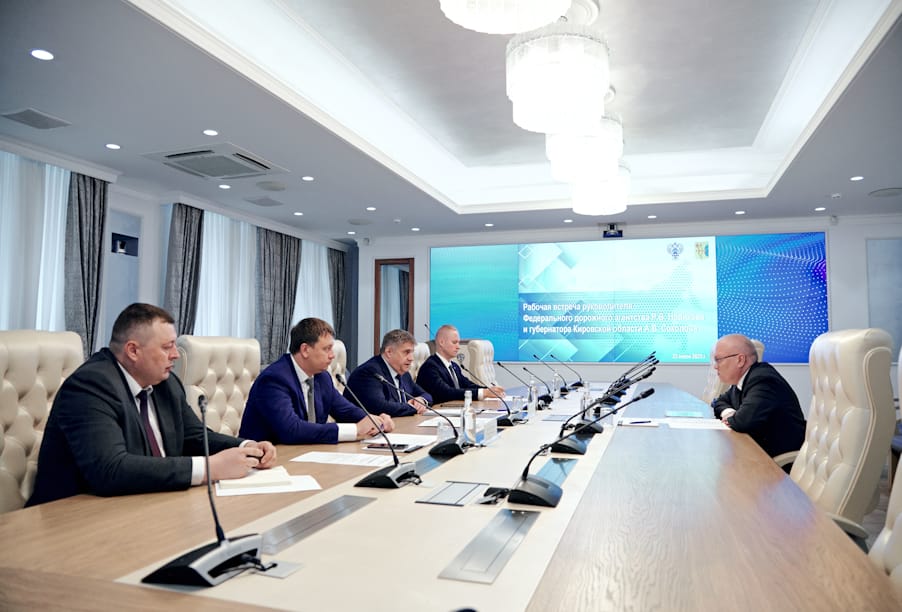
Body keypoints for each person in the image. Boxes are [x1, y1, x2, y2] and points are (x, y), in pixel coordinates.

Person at [27, 303, 277, 506]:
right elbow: (110, 470)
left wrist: (246, 447)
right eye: (167, 347)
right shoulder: (90, 386)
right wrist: (209, 468)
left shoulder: (164, 383)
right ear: (133, 351)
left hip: (147, 503)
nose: (176, 354)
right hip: (73, 517)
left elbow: (193, 436)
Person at [240, 318, 393, 444]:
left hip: (307, 454)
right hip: (267, 460)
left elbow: (345, 410)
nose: (332, 355)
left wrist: (374, 420)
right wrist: (356, 430)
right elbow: (291, 430)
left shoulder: (322, 377)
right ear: (305, 350)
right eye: (327, 349)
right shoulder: (274, 379)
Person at [711, 333, 806, 461]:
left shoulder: (763, 380)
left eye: (718, 360)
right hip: (757, 452)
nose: (715, 366)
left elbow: (742, 422)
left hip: (778, 463)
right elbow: (719, 402)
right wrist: (729, 413)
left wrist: (734, 418)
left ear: (740, 360)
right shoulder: (743, 379)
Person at [344, 329, 432, 417]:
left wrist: (421, 401)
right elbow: (381, 407)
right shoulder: (369, 372)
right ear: (389, 352)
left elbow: (427, 395)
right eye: (406, 352)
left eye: (412, 353)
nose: (411, 358)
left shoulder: (404, 374)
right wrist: (413, 407)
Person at [416, 324, 505, 404]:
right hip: (437, 413)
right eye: (454, 342)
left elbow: (467, 385)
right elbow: (446, 393)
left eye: (458, 342)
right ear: (441, 342)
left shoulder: (454, 366)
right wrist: (482, 393)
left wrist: (488, 390)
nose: (458, 347)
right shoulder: (430, 367)